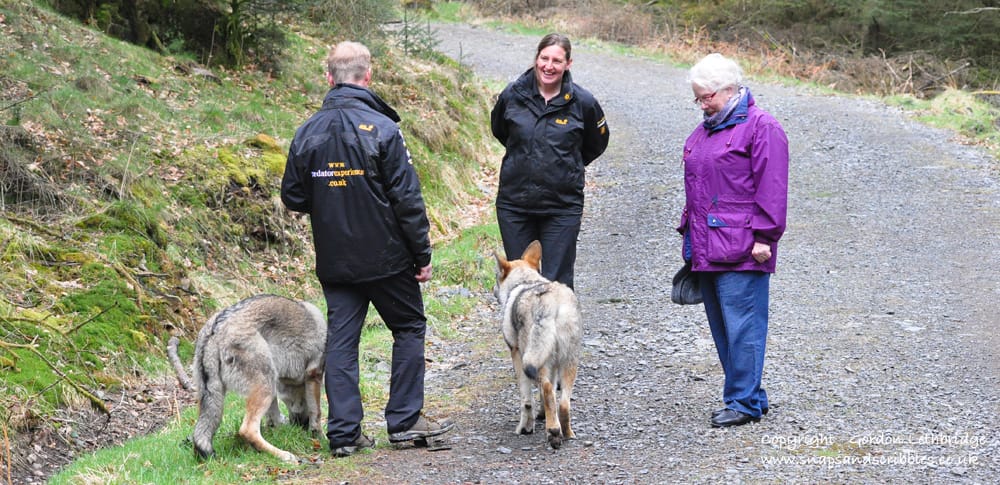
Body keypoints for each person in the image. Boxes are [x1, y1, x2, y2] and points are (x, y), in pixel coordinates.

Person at [281, 41, 453, 457]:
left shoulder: (307, 132)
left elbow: (293, 197)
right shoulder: (385, 129)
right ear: (368, 76)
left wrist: (329, 195)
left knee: (342, 342)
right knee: (409, 328)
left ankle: (343, 434)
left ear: (329, 77)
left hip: (336, 260)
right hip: (388, 258)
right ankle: (405, 421)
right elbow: (407, 201)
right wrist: (422, 254)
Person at [677, 53, 788, 428]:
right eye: (698, 97)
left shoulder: (761, 127)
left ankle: (742, 402)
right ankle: (751, 394)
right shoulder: (707, 128)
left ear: (729, 89)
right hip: (707, 244)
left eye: (706, 96)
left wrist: (765, 236)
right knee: (724, 327)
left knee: (744, 326)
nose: (701, 104)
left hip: (744, 246)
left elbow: (772, 189)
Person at [490, 33, 610, 289]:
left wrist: (566, 166)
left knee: (557, 284)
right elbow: (501, 130)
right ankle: (522, 330)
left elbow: (596, 143)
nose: (549, 66)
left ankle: (558, 330)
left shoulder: (584, 103)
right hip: (515, 205)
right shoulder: (513, 94)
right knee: (520, 280)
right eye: (544, 58)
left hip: (561, 207)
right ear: (536, 59)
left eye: (557, 60)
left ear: (568, 64)